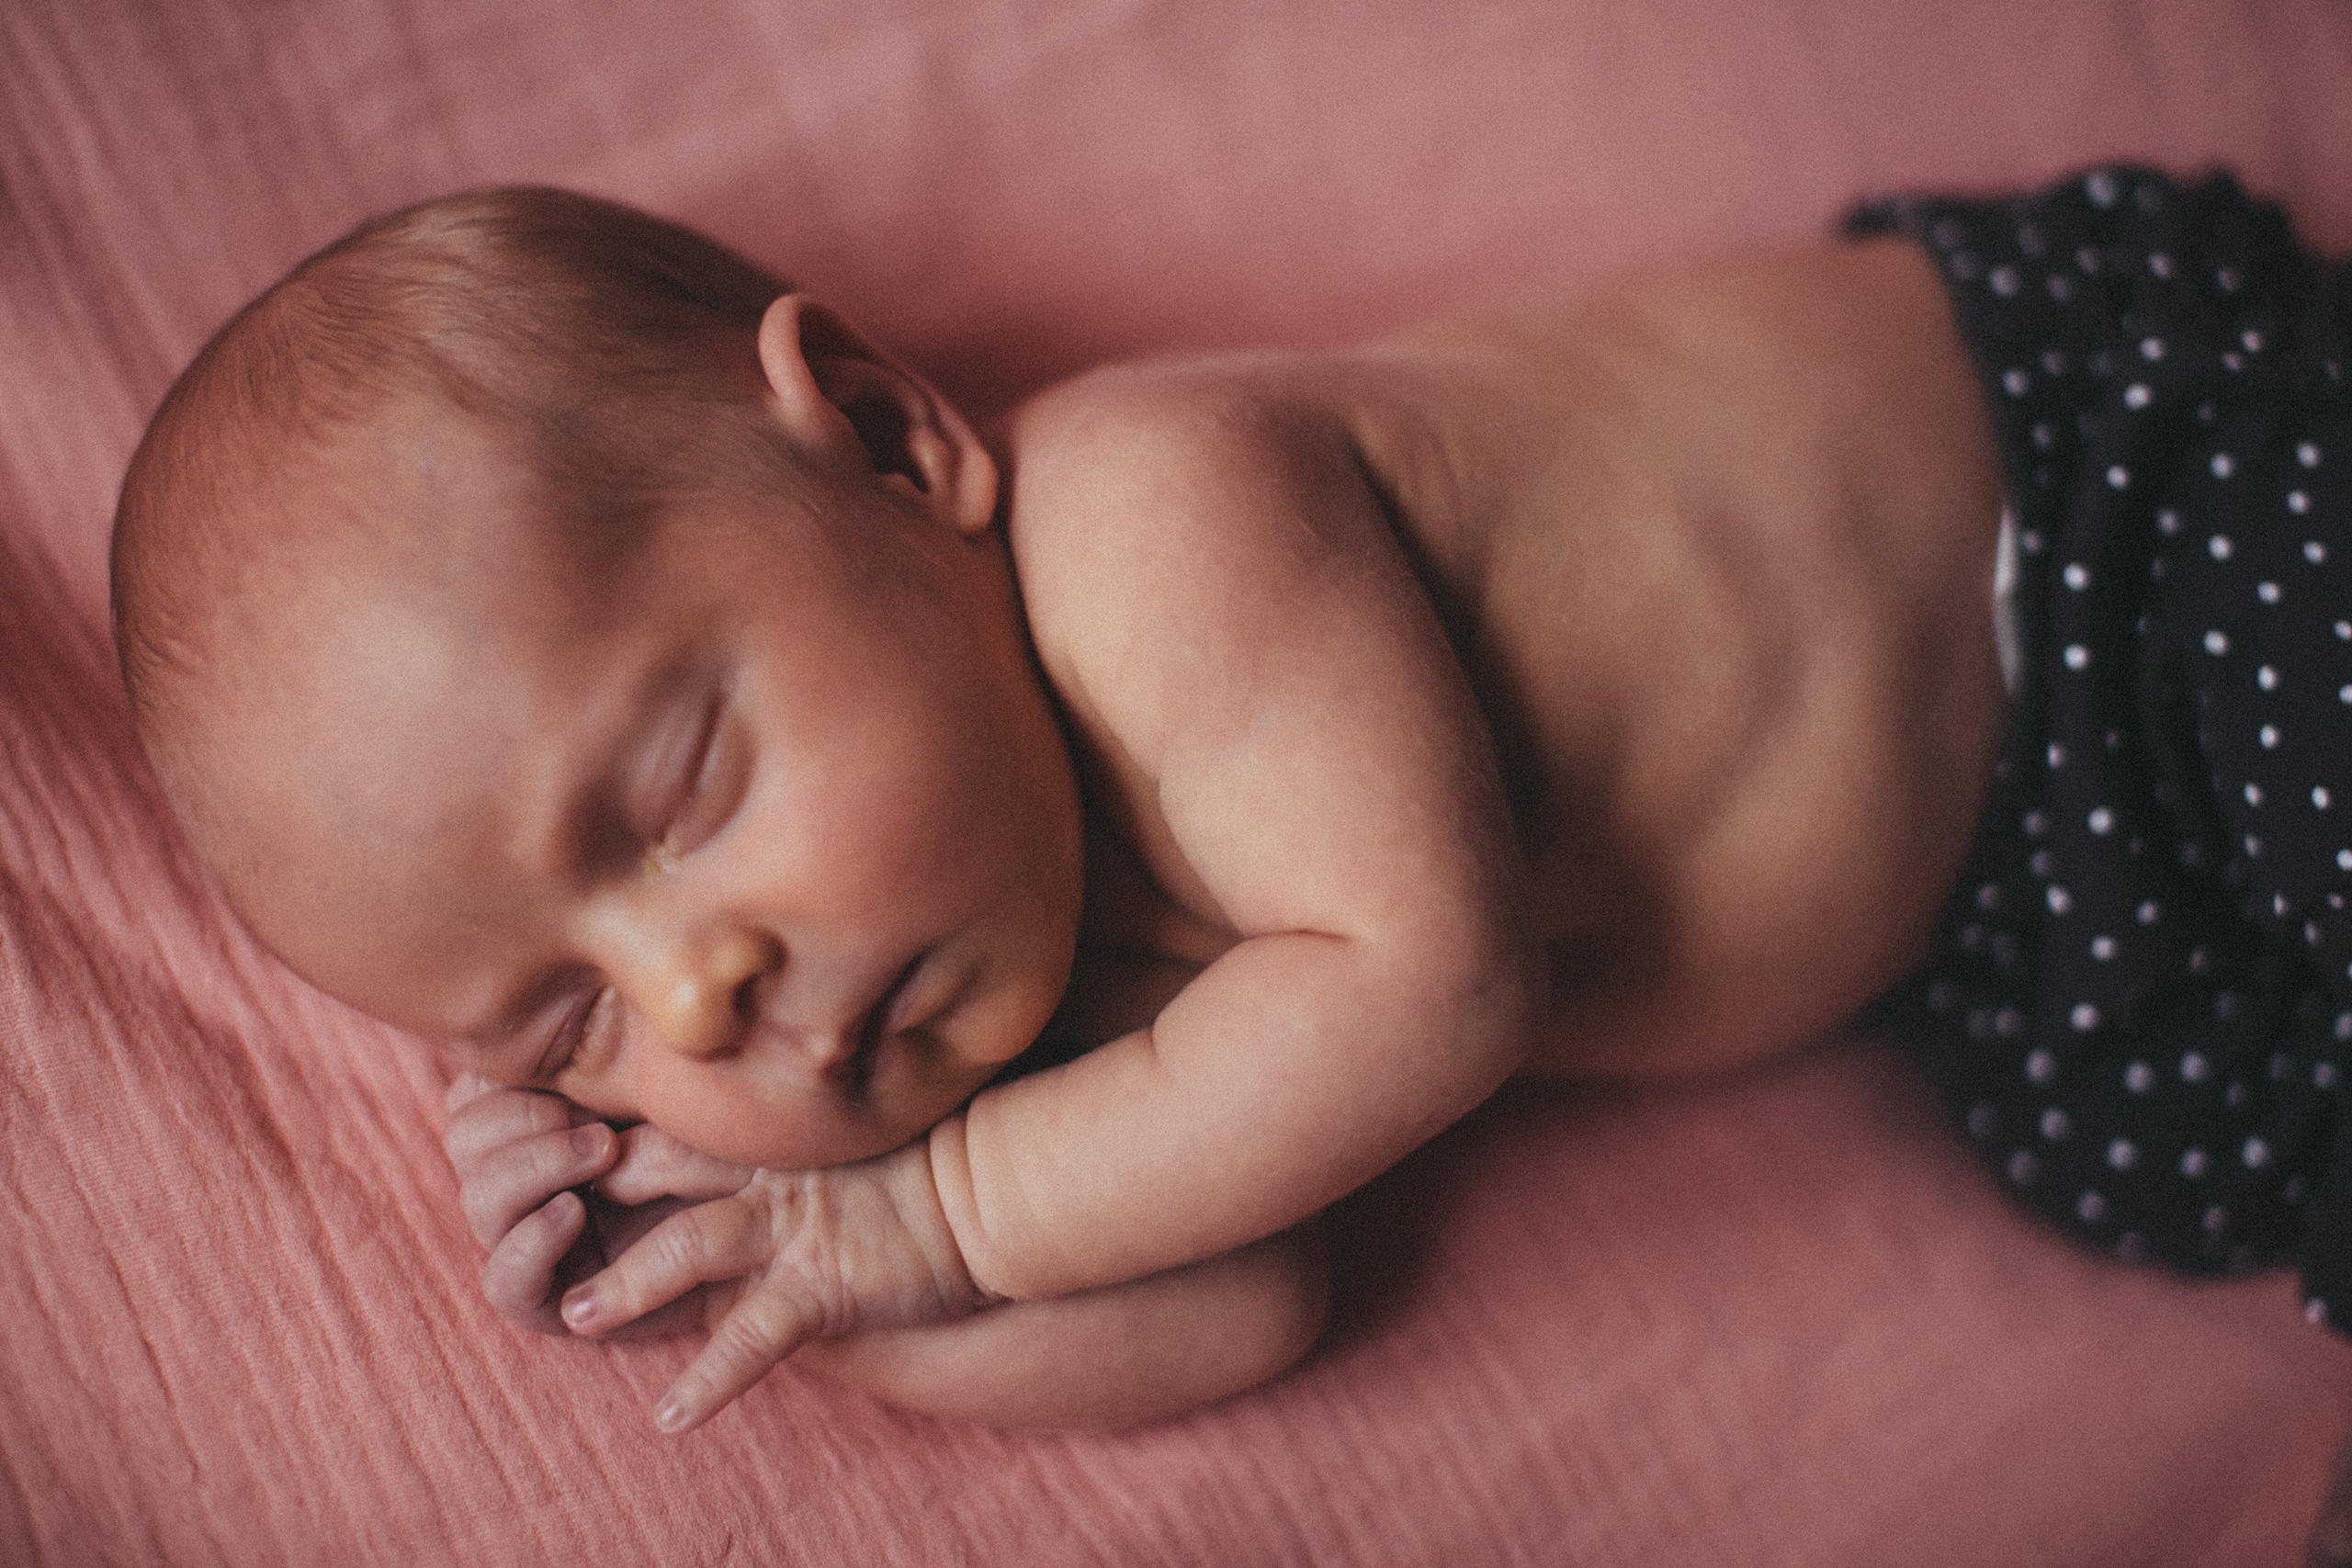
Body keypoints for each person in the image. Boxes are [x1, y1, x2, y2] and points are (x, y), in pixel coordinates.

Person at [109, 170, 2350, 1463]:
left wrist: (934, 1213)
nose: (694, 982)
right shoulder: (1051, 1022)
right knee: (2146, 1161)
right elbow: (1239, 1298)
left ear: (889, 447)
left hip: (2102, 496)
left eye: (680, 793)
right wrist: (774, 1260)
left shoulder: (1145, 519)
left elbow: (1424, 983)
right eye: (562, 1022)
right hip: (2016, 901)